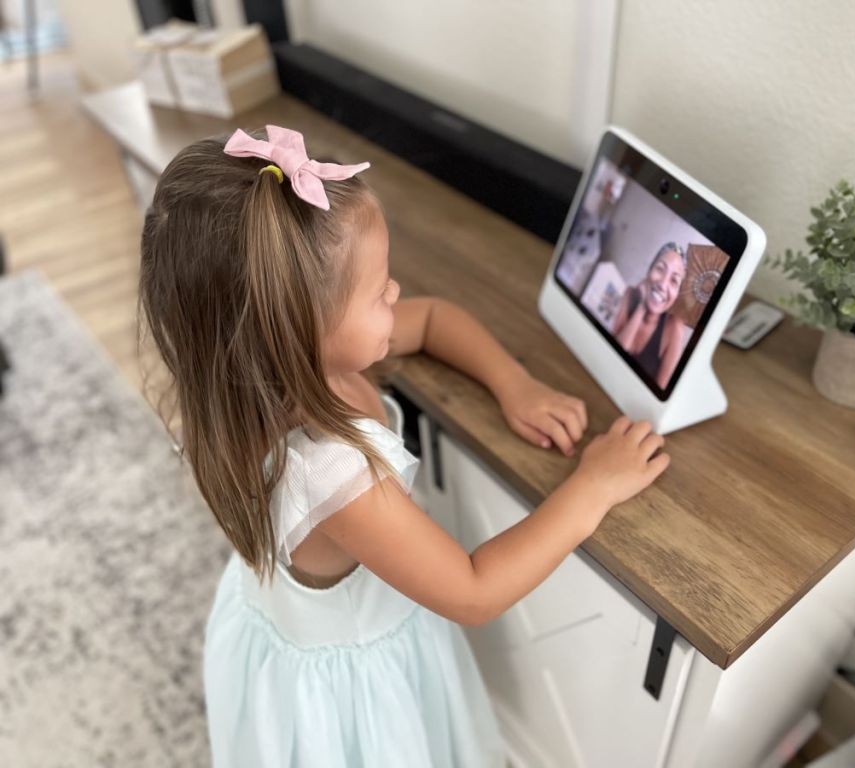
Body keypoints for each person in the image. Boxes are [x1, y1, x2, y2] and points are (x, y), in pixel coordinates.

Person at [138, 125, 671, 767]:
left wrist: (515, 384)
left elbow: (436, 317)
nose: (397, 294)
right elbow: (474, 591)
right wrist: (594, 488)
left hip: (287, 615)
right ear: (296, 333)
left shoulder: (257, 378)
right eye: (379, 290)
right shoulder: (327, 470)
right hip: (351, 677)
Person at [611, 242, 694, 390]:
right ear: (649, 271)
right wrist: (642, 307)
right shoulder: (630, 294)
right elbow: (612, 357)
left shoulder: (674, 327)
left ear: (676, 295)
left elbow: (659, 390)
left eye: (674, 280)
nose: (663, 284)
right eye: (660, 269)